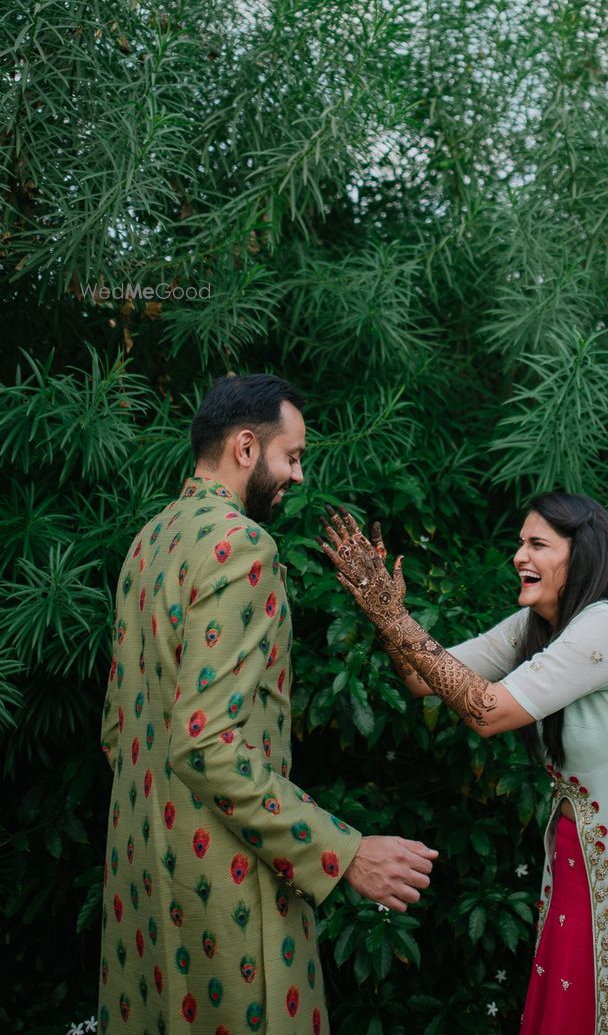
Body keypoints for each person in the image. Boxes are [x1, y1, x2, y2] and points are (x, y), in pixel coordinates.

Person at [98, 374, 437, 1035]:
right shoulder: (242, 546)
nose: (300, 476)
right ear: (246, 448)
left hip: (142, 886)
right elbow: (205, 743)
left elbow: (117, 730)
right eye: (294, 456)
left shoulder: (148, 544)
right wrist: (343, 851)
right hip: (225, 890)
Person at [319, 492, 608, 1035]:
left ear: (581, 555)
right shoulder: (534, 625)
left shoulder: (604, 626)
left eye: (537, 543)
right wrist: (386, 616)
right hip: (587, 848)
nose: (519, 555)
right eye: (519, 543)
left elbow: (486, 710)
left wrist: (396, 618)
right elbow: (424, 678)